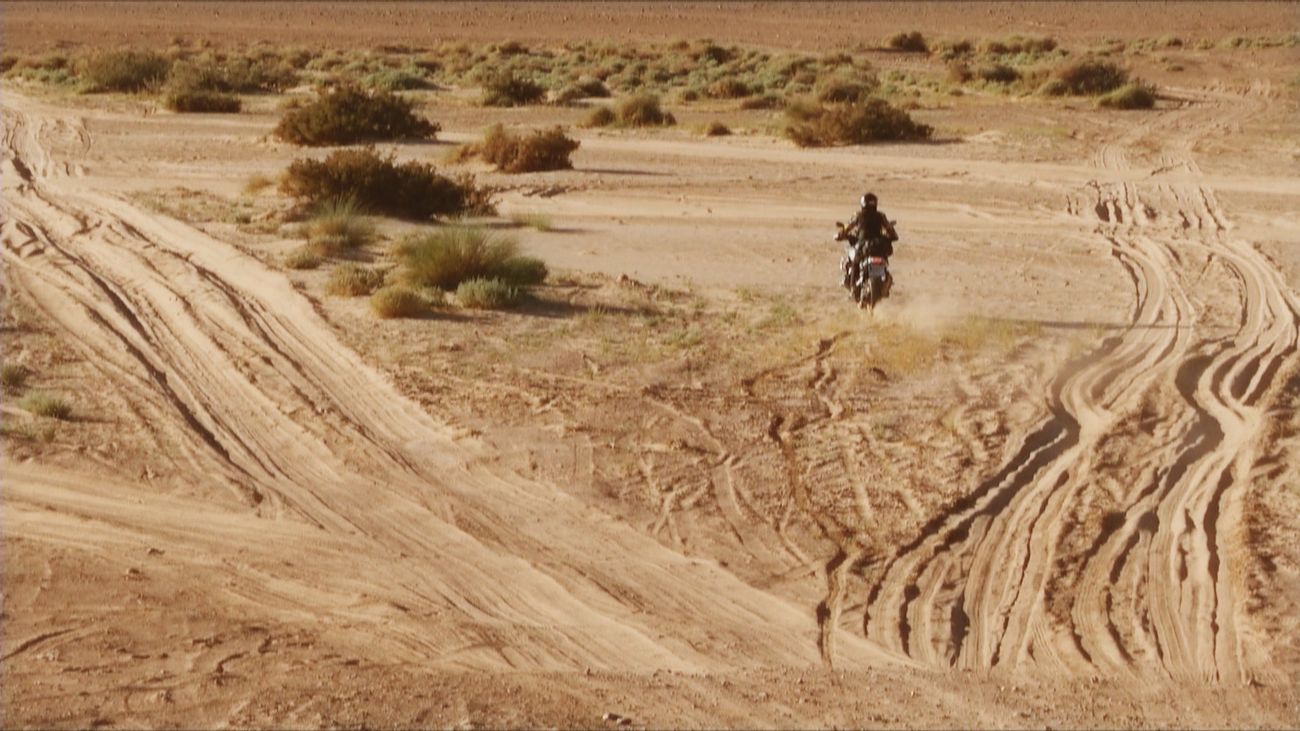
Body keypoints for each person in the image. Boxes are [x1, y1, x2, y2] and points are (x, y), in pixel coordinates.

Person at [843, 192, 899, 297]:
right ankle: (882, 284)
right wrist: (891, 236)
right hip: (878, 246)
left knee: (854, 262)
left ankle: (853, 288)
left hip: (862, 245)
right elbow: (890, 230)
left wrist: (842, 234)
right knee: (880, 262)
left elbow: (847, 227)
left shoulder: (858, 215)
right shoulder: (881, 216)